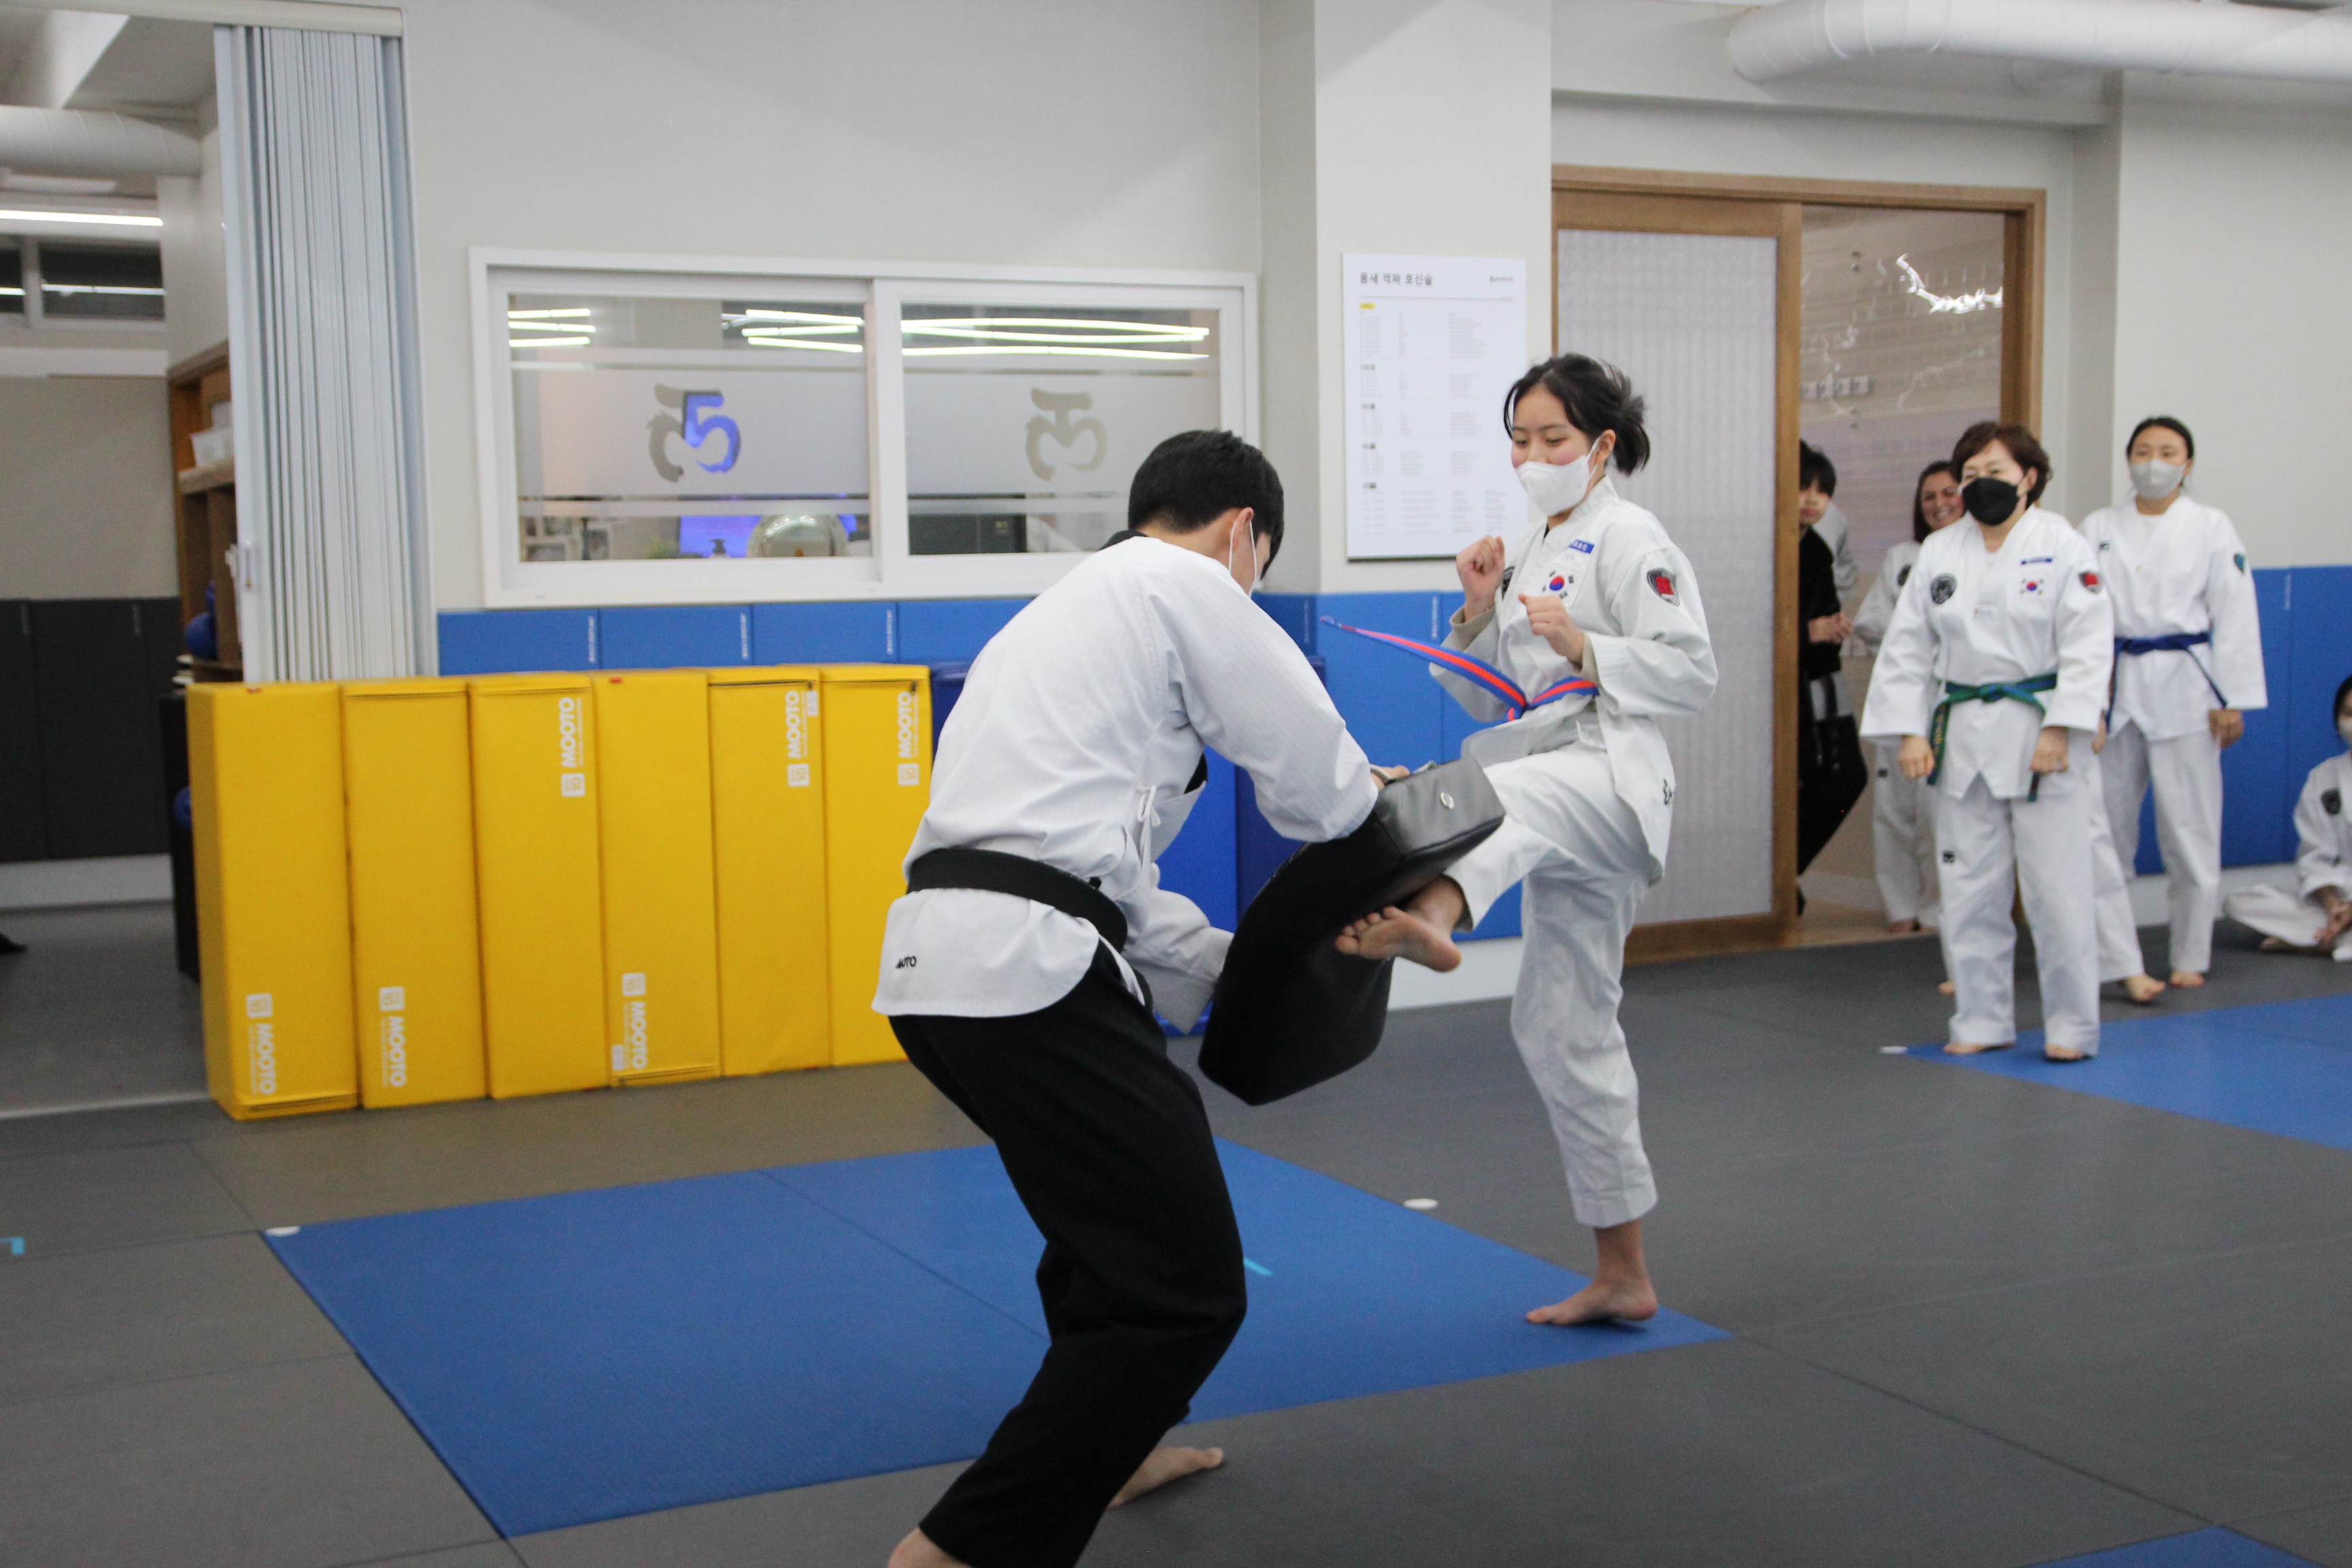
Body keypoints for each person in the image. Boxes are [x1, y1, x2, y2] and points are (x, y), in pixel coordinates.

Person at [874, 430, 1399, 1568]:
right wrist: (1381, 807)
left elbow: (1108, 885)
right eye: (1259, 563)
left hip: (947, 969)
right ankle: (956, 1552)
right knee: (1182, 1288)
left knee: (1103, 1237)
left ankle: (1121, 1448)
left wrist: (1247, 965)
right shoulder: (1181, 581)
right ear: (1244, 533)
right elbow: (1319, 785)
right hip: (1024, 969)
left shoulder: (1059, 619)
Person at [1335, 354, 1717, 1326]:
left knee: (1502, 797)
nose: (1533, 455)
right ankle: (1624, 1272)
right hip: (1552, 777)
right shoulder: (1533, 549)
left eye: (1553, 438)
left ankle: (1435, 908)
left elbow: (1692, 673)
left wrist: (1587, 645)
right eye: (1520, 439)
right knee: (1561, 1026)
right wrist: (1478, 609)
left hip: (1609, 774)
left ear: (1602, 445)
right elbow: (1494, 700)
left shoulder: (1632, 538)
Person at [1860, 421, 2112, 1062]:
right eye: (1969, 475)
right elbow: (1907, 647)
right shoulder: (1940, 551)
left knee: (2057, 893)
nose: (1980, 485)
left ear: (2030, 477)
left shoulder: (2063, 545)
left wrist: (2062, 725)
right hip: (1963, 734)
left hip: (2040, 732)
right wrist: (1910, 732)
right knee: (1970, 889)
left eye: (1995, 472)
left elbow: (2088, 645)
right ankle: (1980, 1018)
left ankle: (2073, 1028)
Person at [2079, 416, 2267, 992]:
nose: (2153, 462)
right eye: (2142, 451)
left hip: (2189, 686)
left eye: (2167, 451)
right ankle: (2111, 954)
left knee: (2190, 826)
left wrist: (2232, 697)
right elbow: (2079, 614)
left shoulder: (2211, 526)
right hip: (2114, 684)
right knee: (2104, 828)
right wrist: (2084, 700)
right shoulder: (2098, 526)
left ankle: (2190, 953)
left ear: (2188, 463)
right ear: (2128, 459)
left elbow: (2234, 611)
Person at [1850, 461, 1963, 932]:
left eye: (1948, 493)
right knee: (1894, 812)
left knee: (1942, 814)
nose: (1939, 504)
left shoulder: (1976, 554)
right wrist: (1911, 633)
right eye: (1929, 497)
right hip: (1902, 693)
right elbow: (1870, 622)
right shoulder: (1902, 557)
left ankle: (1938, 911)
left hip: (1952, 699)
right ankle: (1901, 909)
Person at [2222, 674, 2352, 960]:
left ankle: (2317, 939)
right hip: (2341, 896)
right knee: (2241, 902)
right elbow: (2315, 857)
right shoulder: (2323, 778)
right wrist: (2335, 906)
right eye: (2349, 714)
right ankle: (2336, 933)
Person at [1796, 443, 1865, 877]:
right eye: (1803, 487)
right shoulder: (1764, 548)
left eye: (1823, 492)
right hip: (1777, 696)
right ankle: (1778, 881)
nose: (1812, 500)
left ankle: (1785, 874)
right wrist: (1808, 632)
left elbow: (1822, 620)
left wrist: (1831, 628)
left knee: (1845, 782)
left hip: (1819, 688)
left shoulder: (1819, 551)